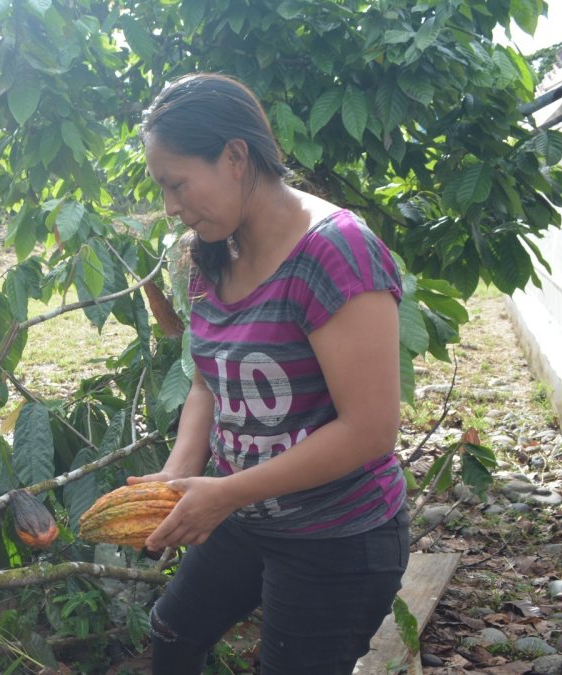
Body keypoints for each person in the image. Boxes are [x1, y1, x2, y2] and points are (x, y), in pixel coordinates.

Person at [129, 72, 409, 674]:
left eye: (177, 184)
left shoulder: (336, 251)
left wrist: (225, 494)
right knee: (172, 632)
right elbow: (207, 379)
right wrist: (179, 472)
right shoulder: (212, 250)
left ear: (235, 157)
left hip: (337, 536)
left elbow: (370, 430)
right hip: (246, 513)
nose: (171, 208)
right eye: (162, 188)